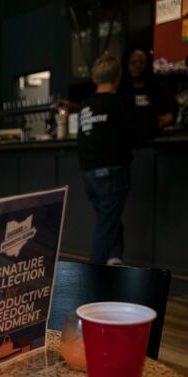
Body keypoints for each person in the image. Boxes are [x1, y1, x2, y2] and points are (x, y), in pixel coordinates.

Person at [77, 54, 144, 266]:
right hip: (111, 174)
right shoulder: (120, 103)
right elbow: (136, 134)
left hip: (88, 176)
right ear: (118, 76)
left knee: (108, 220)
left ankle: (114, 260)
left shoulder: (85, 106)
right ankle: (92, 280)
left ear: (95, 78)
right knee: (106, 226)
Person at [119, 48, 174, 139]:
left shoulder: (156, 87)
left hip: (155, 140)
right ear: (127, 65)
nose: (137, 66)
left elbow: (168, 115)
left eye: (141, 62)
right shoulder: (120, 89)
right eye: (133, 62)